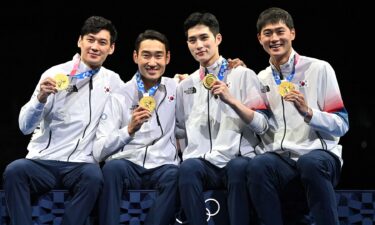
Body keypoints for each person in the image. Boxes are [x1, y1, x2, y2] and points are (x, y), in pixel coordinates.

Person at [2, 16, 123, 225]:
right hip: (43, 162)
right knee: (15, 171)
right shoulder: (55, 74)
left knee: (94, 177)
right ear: (80, 41)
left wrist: (174, 83)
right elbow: (24, 127)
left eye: (102, 42)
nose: (95, 47)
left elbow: (136, 100)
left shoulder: (113, 81)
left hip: (80, 165)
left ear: (111, 48)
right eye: (90, 40)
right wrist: (40, 99)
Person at [246, 7, 349, 225]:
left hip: (320, 156)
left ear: (292, 33)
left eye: (280, 31)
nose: (274, 38)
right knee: (258, 165)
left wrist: (308, 112)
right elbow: (261, 125)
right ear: (259, 38)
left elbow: (342, 124)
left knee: (310, 163)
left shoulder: (319, 68)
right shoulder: (260, 78)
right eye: (268, 33)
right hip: (282, 161)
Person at [176, 12, 269, 225]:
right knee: (187, 168)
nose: (198, 45)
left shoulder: (243, 75)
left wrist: (232, 101)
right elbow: (180, 130)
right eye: (192, 40)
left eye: (204, 38)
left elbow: (263, 126)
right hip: (203, 163)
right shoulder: (185, 85)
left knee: (237, 168)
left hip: (236, 160)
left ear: (217, 39)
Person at [93, 29, 179, 225]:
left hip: (163, 166)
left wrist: (233, 68)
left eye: (158, 56)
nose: (152, 62)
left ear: (167, 58)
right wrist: (129, 130)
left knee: (177, 175)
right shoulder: (119, 95)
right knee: (111, 169)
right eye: (146, 55)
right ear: (135, 56)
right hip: (127, 165)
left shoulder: (177, 88)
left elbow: (204, 82)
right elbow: (98, 152)